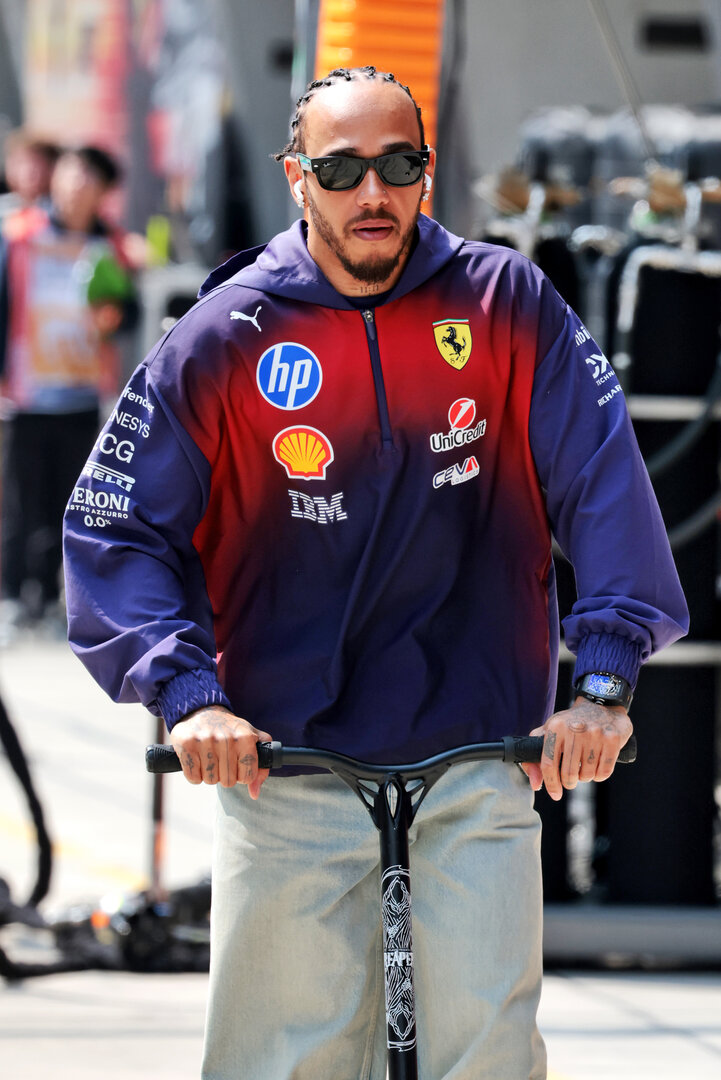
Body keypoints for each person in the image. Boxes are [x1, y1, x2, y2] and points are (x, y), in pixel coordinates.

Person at [63, 67, 688, 1079]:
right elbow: (116, 525)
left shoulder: (504, 302)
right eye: (342, 168)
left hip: (482, 750)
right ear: (296, 176)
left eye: (397, 165)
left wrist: (605, 684)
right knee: (280, 1057)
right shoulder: (226, 331)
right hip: (282, 761)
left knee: (488, 1053)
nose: (372, 193)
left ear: (426, 172)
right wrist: (187, 698)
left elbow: (605, 485)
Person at [0, 144, 137, 636]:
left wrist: (115, 312)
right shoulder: (17, 235)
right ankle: (16, 595)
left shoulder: (112, 246)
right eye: (73, 174)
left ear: (103, 193)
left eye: (91, 180)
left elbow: (128, 313)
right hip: (26, 393)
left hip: (82, 394)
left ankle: (64, 599)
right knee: (20, 501)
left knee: (73, 502)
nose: (78, 187)